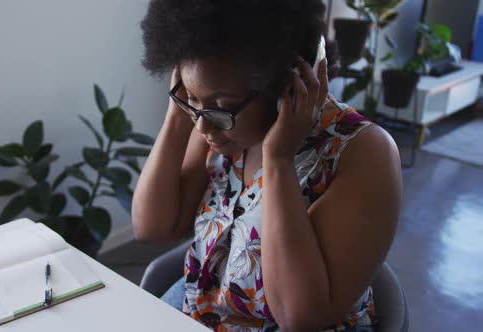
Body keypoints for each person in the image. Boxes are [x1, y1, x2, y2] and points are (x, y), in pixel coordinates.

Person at [132, 0, 403, 331]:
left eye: (223, 106)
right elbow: (153, 227)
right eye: (193, 97)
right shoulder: (217, 127)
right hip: (201, 314)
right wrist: (179, 112)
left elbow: (298, 316)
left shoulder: (364, 152)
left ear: (287, 86)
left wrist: (278, 160)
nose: (203, 127)